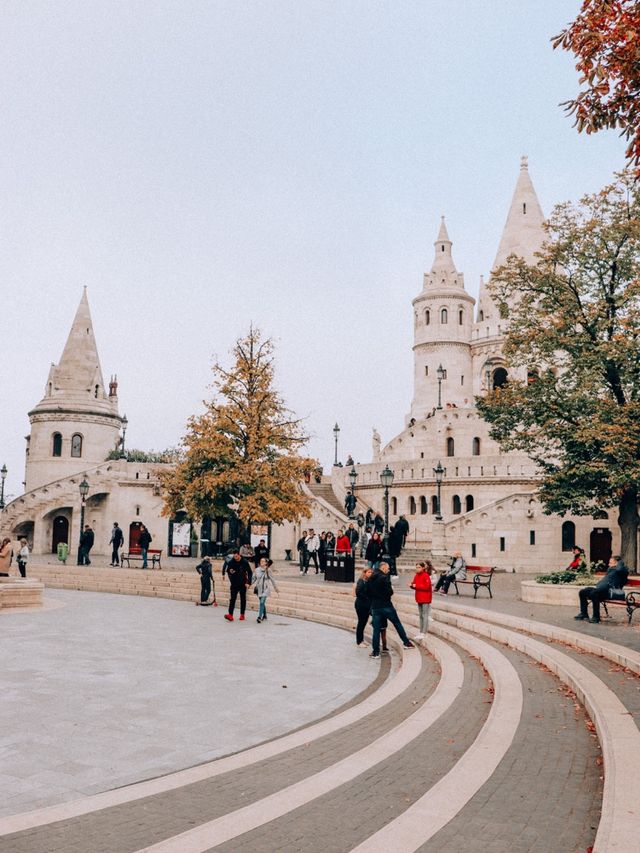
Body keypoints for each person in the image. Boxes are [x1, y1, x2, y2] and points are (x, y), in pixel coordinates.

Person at [366, 562, 414, 658]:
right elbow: (389, 592)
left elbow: (368, 592)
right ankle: (406, 642)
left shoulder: (370, 578)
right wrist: (390, 591)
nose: (388, 570)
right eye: (387, 568)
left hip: (376, 607)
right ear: (383, 568)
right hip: (387, 606)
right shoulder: (384, 578)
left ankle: (376, 652)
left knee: (376, 630)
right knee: (397, 624)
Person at [575, 555, 629, 624]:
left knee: (594, 593)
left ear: (617, 563)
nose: (609, 564)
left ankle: (596, 617)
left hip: (610, 591)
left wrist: (620, 561)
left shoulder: (623, 570)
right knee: (582, 592)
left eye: (611, 563)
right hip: (601, 589)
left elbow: (619, 569)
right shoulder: (611, 569)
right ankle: (584, 613)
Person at [224, 550, 253, 621]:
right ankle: (230, 615)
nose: (235, 557)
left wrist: (249, 583)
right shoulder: (231, 562)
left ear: (239, 555)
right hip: (234, 583)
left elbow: (250, 572)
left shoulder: (245, 562)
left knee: (243, 599)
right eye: (234, 556)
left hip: (243, 583)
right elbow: (228, 570)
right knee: (232, 599)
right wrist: (230, 571)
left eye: (236, 556)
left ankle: (242, 615)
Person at [410, 561, 433, 639]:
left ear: (423, 568)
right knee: (420, 616)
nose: (417, 569)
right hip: (419, 597)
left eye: (419, 567)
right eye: (416, 567)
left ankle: (424, 632)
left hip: (425, 598)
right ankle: (421, 631)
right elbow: (414, 584)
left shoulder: (426, 575)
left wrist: (416, 585)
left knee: (425, 615)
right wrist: (411, 585)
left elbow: (427, 587)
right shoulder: (416, 575)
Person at [254, 557, 278, 622]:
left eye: (263, 561)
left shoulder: (268, 570)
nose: (261, 562)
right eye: (260, 561)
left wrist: (276, 588)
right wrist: (248, 584)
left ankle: (259, 617)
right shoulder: (256, 570)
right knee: (262, 603)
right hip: (259, 588)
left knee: (262, 602)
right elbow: (254, 578)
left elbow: (272, 579)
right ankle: (264, 615)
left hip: (266, 589)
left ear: (266, 563)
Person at [354, 567, 373, 647]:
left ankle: (361, 639)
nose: (370, 574)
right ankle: (359, 641)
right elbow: (358, 592)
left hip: (366, 605)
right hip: (361, 605)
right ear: (364, 573)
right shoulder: (361, 581)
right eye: (369, 572)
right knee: (361, 622)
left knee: (364, 622)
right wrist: (367, 597)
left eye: (371, 572)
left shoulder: (368, 581)